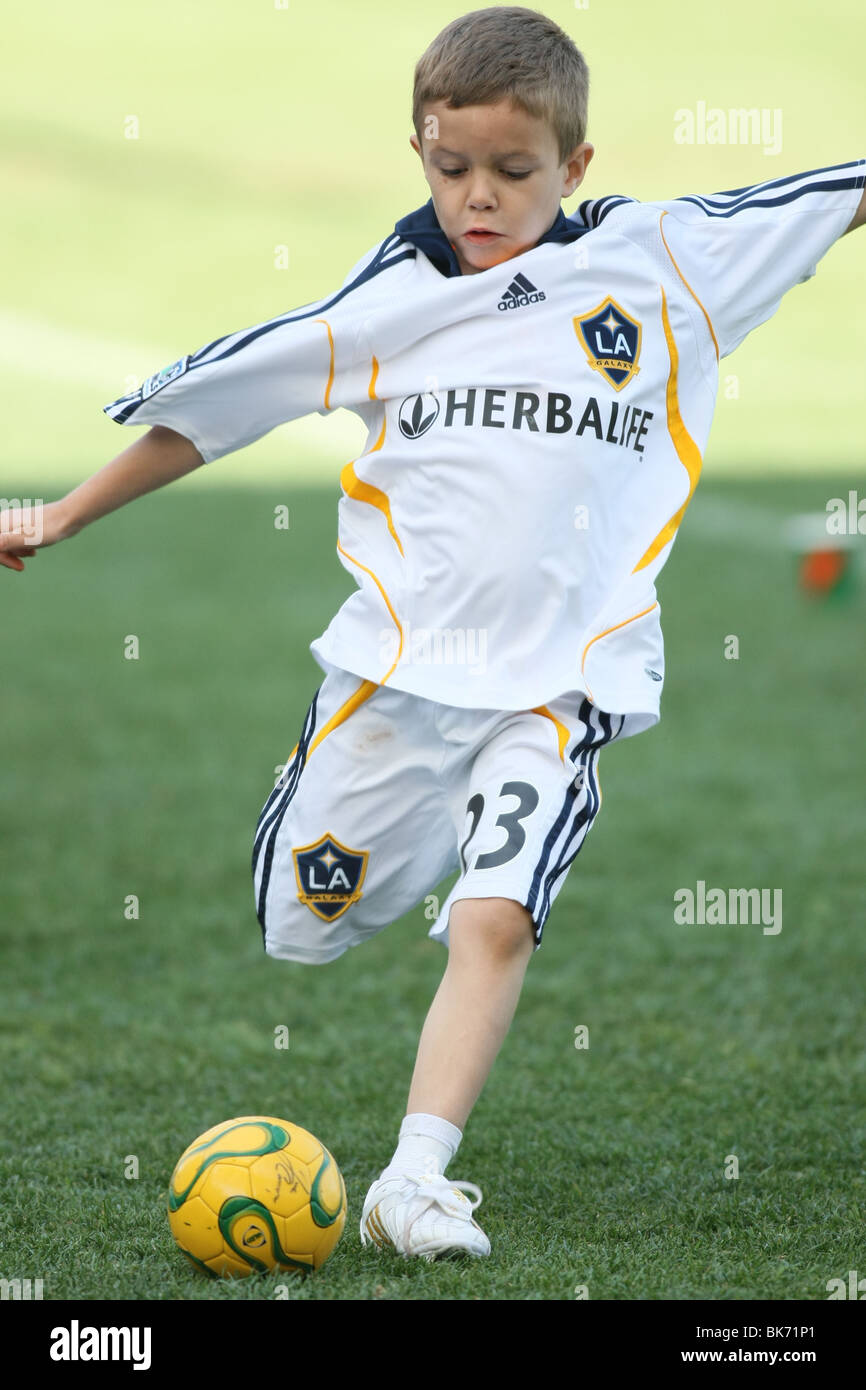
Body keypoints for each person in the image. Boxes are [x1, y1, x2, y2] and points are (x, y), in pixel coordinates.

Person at [2, 6, 863, 1263]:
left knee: (494, 916)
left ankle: (415, 1179)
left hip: (559, 691)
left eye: (514, 172)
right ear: (418, 150)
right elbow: (223, 407)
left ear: (574, 167)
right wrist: (66, 513)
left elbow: (836, 195)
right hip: (395, 684)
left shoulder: (663, 260)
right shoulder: (392, 298)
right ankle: (370, 834)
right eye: (450, 166)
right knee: (299, 921)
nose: (478, 196)